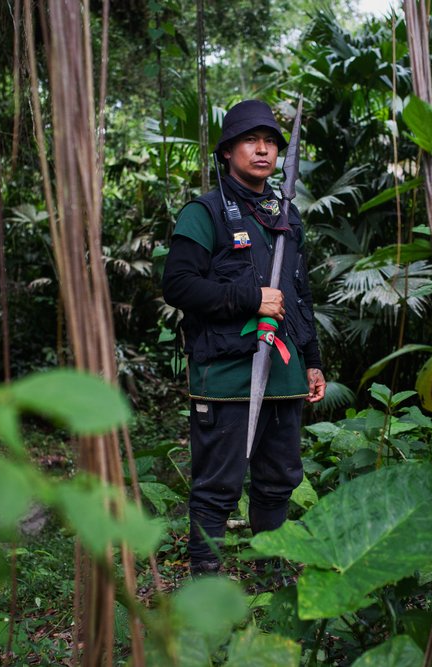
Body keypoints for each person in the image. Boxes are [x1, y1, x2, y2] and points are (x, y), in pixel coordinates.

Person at [162, 99, 326, 577]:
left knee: (278, 481)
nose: (262, 150)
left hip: (285, 372)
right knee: (217, 484)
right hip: (227, 374)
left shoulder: (286, 214)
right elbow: (178, 286)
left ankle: (270, 573)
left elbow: (299, 292)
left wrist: (312, 359)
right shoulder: (204, 212)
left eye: (270, 142)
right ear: (228, 151)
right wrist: (248, 298)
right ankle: (205, 581)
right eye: (250, 141)